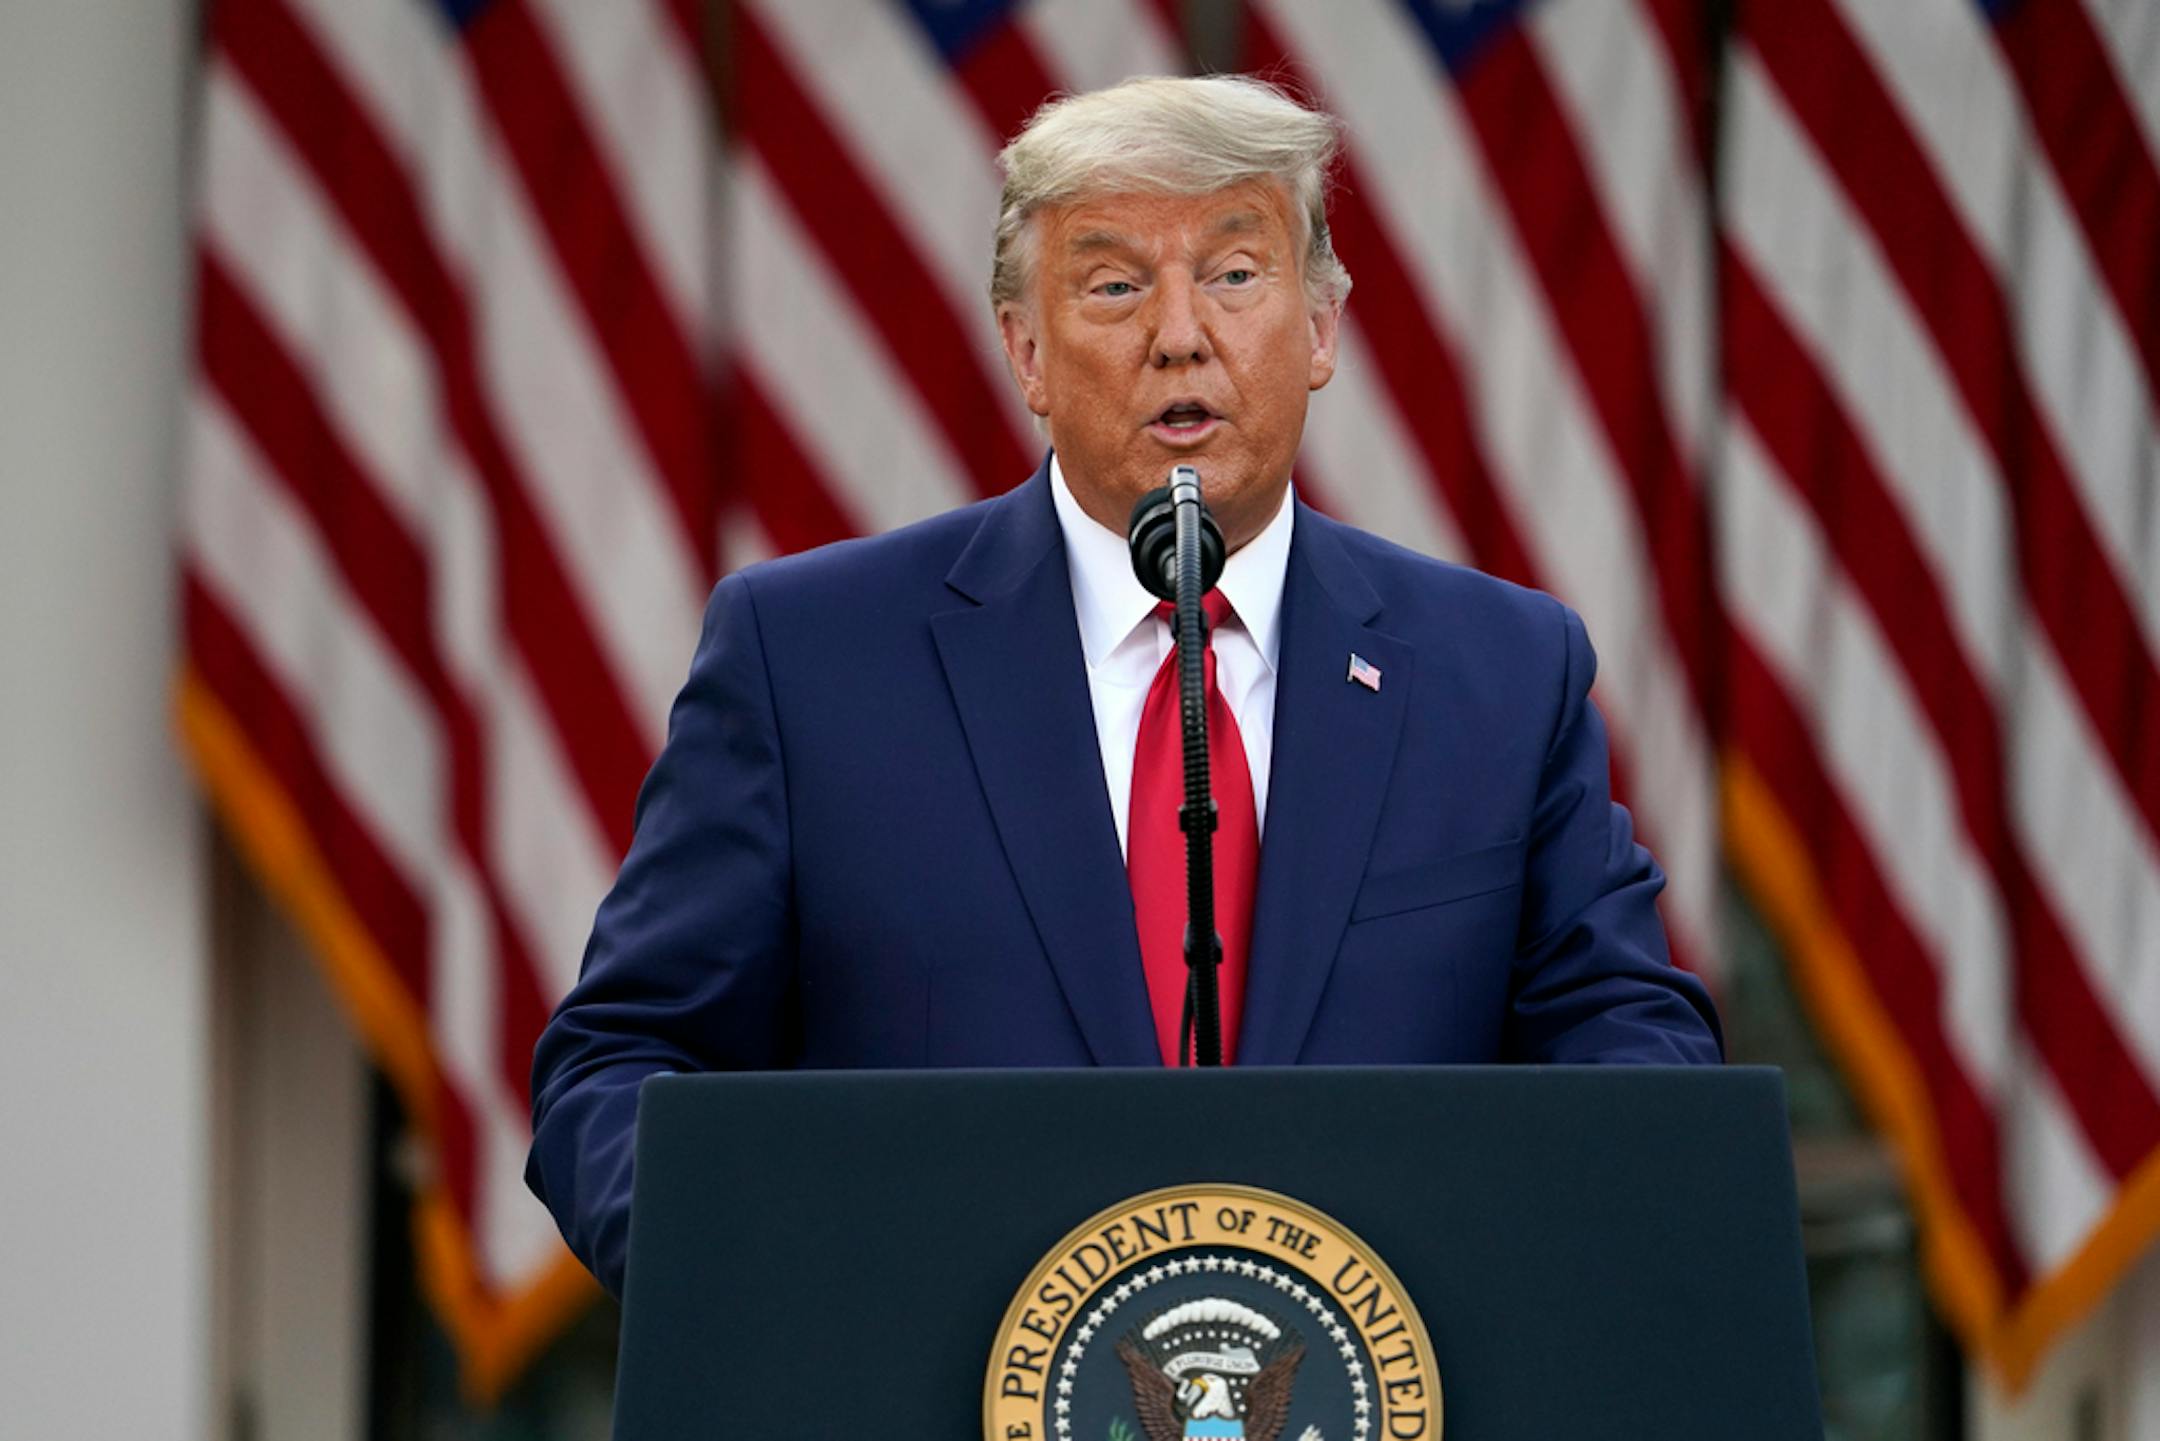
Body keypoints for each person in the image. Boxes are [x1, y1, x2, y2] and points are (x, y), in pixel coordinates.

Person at [527, 75, 1721, 1296]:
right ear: (1026, 351)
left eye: (1237, 273)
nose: (1181, 333)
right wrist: (780, 1301)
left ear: (1321, 331)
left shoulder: (1501, 672)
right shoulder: (809, 660)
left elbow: (1634, 1047)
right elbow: (622, 1063)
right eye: (1114, 284)